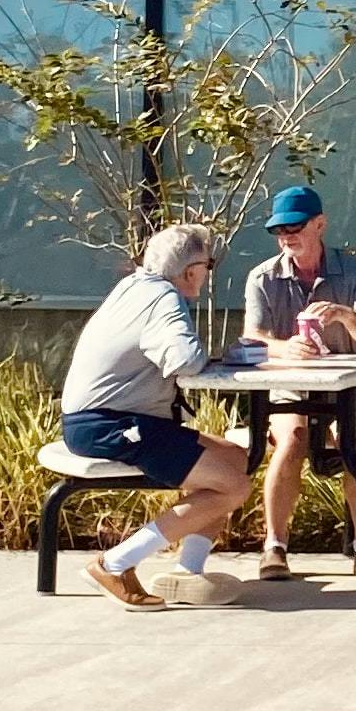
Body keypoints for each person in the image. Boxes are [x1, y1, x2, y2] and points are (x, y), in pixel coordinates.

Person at [56, 222, 249, 607]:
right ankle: (114, 564)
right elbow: (183, 361)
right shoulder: (164, 298)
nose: (208, 274)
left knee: (234, 458)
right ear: (191, 271)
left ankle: (187, 573)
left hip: (104, 419)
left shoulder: (133, 287)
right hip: (110, 424)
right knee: (234, 486)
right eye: (208, 265)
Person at [243, 185, 356, 580]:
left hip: (352, 386)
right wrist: (285, 349)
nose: (286, 237)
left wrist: (346, 316)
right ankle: (275, 547)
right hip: (291, 387)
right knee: (292, 437)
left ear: (320, 224)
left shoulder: (354, 271)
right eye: (278, 230)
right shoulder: (262, 277)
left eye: (294, 227)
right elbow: (253, 339)